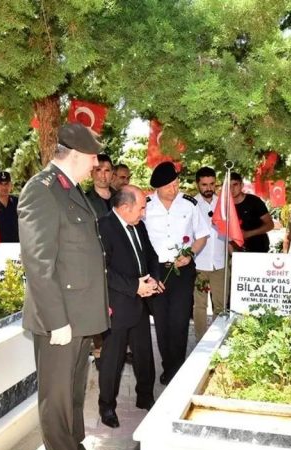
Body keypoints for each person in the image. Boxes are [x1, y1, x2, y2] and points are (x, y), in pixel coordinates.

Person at [17, 122, 111, 450]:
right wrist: (56, 321)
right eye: (92, 158)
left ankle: (74, 449)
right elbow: (38, 263)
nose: (95, 165)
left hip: (79, 314)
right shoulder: (40, 191)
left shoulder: (72, 191)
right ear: (74, 155)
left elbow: (85, 257)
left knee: (73, 391)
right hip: (58, 318)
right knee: (55, 397)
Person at [97, 185, 163, 428]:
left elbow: (152, 256)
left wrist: (153, 278)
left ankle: (145, 396)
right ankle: (107, 407)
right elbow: (103, 270)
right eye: (141, 207)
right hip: (117, 304)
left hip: (140, 302)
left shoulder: (139, 226)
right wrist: (134, 286)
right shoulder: (104, 227)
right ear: (124, 207)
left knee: (144, 353)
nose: (144, 213)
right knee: (112, 360)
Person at [144, 162, 209, 385]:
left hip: (183, 269)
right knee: (162, 322)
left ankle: (177, 368)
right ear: (158, 187)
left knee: (180, 321)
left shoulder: (189, 204)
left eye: (176, 183)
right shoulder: (146, 206)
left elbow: (202, 235)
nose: (175, 188)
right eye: (170, 186)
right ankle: (168, 365)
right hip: (157, 271)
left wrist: (190, 253)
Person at [192, 166, 228, 342]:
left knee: (220, 305)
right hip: (199, 263)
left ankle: (218, 339)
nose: (208, 188)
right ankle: (200, 340)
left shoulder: (223, 204)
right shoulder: (191, 204)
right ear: (198, 184)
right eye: (204, 184)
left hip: (219, 262)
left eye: (212, 184)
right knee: (200, 305)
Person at [230, 172, 274, 252]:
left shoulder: (254, 201)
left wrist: (248, 233)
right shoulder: (225, 205)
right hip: (236, 251)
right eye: (228, 186)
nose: (232, 189)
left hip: (259, 249)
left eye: (235, 184)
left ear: (241, 185)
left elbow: (270, 225)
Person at [84, 153, 116, 218]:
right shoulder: (85, 200)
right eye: (98, 170)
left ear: (112, 173)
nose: (103, 175)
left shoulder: (121, 197)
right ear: (91, 173)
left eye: (107, 170)